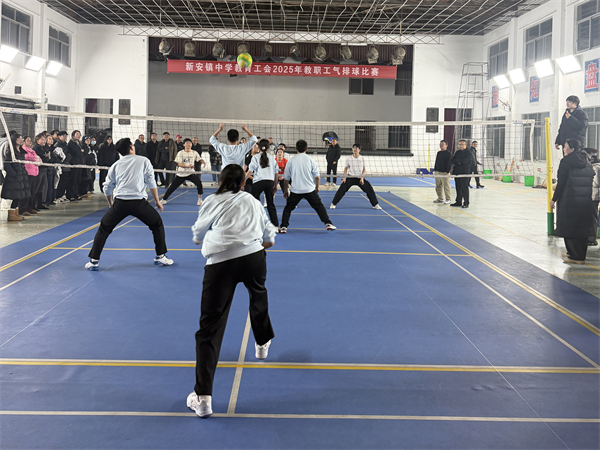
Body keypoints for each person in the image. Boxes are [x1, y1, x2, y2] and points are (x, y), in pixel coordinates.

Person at [188, 164, 277, 419]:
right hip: (253, 257)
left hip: (220, 263)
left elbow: (197, 235)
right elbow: (269, 235)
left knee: (210, 326)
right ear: (243, 183)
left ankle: (203, 399)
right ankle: (262, 343)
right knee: (258, 295)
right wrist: (255, 245)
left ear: (221, 180)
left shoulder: (212, 201)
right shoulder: (252, 200)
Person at [85, 137, 173, 271]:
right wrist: (157, 201)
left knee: (104, 229)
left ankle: (93, 261)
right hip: (139, 203)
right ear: (132, 147)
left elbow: (107, 187)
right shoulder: (144, 160)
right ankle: (160, 256)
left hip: (120, 203)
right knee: (157, 224)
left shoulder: (116, 165)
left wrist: (110, 203)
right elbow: (151, 182)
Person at [550, 139, 595, 264]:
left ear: (572, 149)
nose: (563, 149)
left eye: (565, 147)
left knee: (569, 227)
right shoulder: (587, 161)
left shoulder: (566, 162)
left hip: (569, 200)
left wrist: (554, 199)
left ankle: (574, 256)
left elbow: (561, 183)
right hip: (585, 200)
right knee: (582, 228)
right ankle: (580, 256)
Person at [279, 139, 336, 233]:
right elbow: (317, 177)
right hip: (309, 190)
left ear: (295, 148)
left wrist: (285, 190)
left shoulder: (291, 161)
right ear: (307, 148)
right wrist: (317, 187)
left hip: (296, 190)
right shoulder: (311, 160)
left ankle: (283, 227)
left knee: (288, 208)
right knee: (319, 206)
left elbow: (286, 179)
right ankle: (328, 223)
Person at [329, 144, 381, 210]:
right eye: (353, 148)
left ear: (359, 150)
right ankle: (333, 204)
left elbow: (364, 170)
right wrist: (344, 178)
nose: (354, 149)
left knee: (369, 189)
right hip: (350, 177)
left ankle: (375, 204)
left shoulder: (362, 158)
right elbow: (345, 169)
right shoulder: (349, 158)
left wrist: (362, 178)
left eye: (356, 148)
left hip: (359, 178)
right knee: (341, 189)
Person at [160, 138, 206, 206]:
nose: (188, 144)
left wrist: (203, 162)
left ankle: (199, 200)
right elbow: (179, 164)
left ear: (191, 145)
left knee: (199, 184)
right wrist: (187, 166)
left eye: (190, 143)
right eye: (187, 143)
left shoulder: (194, 152)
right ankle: (164, 200)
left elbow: (199, 159)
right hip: (181, 173)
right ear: (184, 145)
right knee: (172, 187)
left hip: (191, 173)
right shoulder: (180, 153)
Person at [246, 139, 279, 227]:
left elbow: (250, 171)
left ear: (259, 147)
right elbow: (276, 173)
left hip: (258, 182)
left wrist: (243, 181)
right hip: (269, 182)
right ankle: (275, 225)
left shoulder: (255, 157)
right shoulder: (272, 159)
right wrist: (275, 185)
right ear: (268, 147)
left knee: (254, 203)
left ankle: (254, 224)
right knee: (270, 204)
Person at [1, 133, 30, 220]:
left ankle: (15, 213)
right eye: (19, 139)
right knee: (15, 196)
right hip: (14, 178)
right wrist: (14, 174)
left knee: (19, 196)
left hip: (21, 177)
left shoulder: (21, 152)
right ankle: (11, 215)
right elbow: (7, 165)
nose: (21, 140)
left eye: (22, 138)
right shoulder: (10, 152)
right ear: (14, 140)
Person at [22, 136, 42, 214]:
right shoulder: (22, 150)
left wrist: (36, 159)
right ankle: (23, 208)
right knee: (26, 191)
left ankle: (30, 207)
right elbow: (28, 158)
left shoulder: (32, 151)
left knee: (32, 191)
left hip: (34, 173)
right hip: (27, 173)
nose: (30, 142)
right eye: (28, 140)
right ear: (23, 142)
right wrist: (35, 158)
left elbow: (39, 160)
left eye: (30, 140)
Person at [450, 140, 473, 209]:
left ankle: (466, 203)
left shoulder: (468, 153)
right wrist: (458, 162)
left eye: (461, 144)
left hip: (464, 172)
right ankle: (458, 201)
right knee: (458, 187)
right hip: (457, 172)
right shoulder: (457, 152)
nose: (459, 146)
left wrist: (458, 162)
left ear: (465, 145)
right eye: (459, 144)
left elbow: (464, 161)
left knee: (464, 188)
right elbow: (453, 160)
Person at [32, 133, 51, 209]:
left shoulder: (43, 148)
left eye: (45, 139)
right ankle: (34, 204)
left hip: (44, 169)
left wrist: (46, 157)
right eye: (42, 139)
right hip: (38, 170)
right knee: (36, 187)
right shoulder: (35, 148)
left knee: (42, 187)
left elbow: (47, 158)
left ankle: (40, 203)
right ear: (37, 140)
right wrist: (46, 157)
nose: (44, 141)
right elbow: (42, 159)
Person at [586, 148, 600, 247]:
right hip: (594, 195)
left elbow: (595, 183)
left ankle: (592, 238)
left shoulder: (595, 168)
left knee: (592, 217)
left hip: (594, 195)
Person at [66, 130, 84, 201]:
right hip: (74, 164)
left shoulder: (79, 143)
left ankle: (76, 194)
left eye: (79, 134)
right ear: (73, 135)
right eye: (77, 134)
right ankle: (70, 195)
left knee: (78, 180)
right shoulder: (71, 144)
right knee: (72, 180)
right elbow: (77, 153)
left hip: (79, 164)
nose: (79, 135)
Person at [433, 140, 452, 204]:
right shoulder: (439, 153)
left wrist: (447, 171)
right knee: (438, 186)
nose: (441, 145)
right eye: (440, 144)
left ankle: (448, 199)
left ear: (446, 145)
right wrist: (435, 169)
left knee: (446, 186)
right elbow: (436, 161)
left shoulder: (448, 153)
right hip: (437, 172)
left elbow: (449, 163)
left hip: (444, 172)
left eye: (442, 144)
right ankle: (440, 198)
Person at [54, 131, 71, 202]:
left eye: (66, 135)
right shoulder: (58, 145)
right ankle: (58, 196)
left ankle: (61, 195)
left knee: (65, 182)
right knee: (60, 182)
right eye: (63, 135)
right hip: (61, 166)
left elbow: (68, 154)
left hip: (66, 165)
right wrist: (65, 159)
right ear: (59, 136)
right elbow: (61, 156)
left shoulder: (65, 144)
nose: (65, 137)